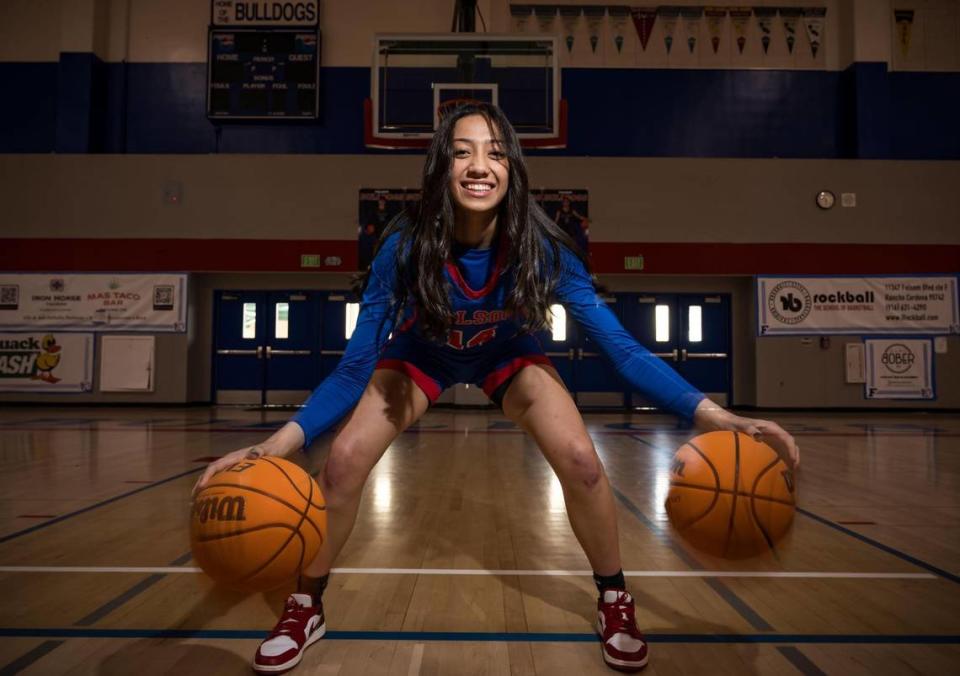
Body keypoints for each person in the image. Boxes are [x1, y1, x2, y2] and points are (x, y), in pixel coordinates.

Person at [195, 102, 799, 673]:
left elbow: (622, 349)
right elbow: (355, 369)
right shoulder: (402, 249)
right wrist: (273, 447)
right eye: (462, 152)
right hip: (422, 352)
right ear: (442, 167)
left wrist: (718, 418)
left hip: (506, 354)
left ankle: (613, 596)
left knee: (583, 462)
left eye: (495, 153)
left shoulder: (544, 250)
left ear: (512, 167)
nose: (479, 165)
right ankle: (306, 605)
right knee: (345, 461)